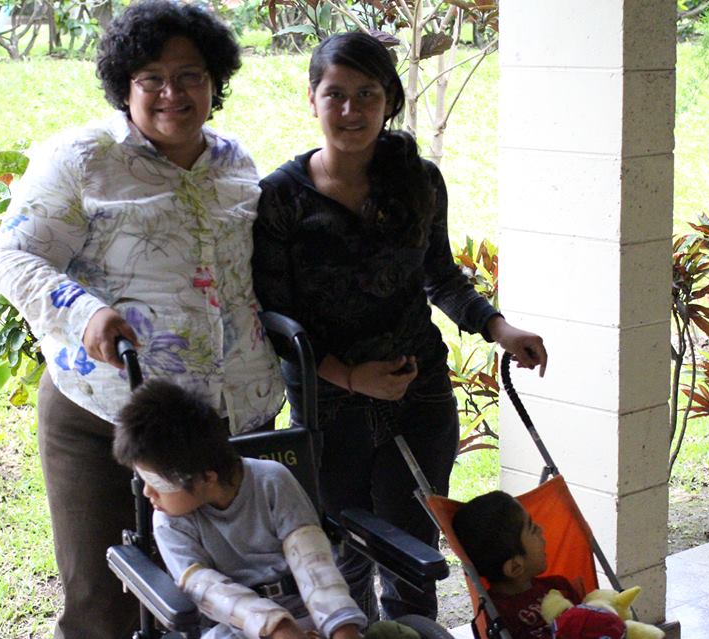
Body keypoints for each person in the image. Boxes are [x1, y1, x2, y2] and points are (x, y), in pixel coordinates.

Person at [0, 3, 283, 637]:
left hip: (228, 423)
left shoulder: (235, 162)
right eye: (152, 78)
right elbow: (13, 256)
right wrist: (84, 311)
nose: (172, 93)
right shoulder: (83, 158)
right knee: (104, 603)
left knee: (226, 596)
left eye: (191, 75)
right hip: (106, 415)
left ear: (215, 82)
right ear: (125, 86)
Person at [251, 32, 547, 621]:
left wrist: (499, 328)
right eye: (336, 94)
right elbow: (274, 320)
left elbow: (441, 277)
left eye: (368, 93)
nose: (351, 109)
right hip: (329, 408)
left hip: (420, 396)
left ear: (390, 99)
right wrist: (350, 377)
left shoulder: (419, 181)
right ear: (312, 99)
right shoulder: (280, 198)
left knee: (413, 558)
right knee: (342, 556)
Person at [113, 380, 368, 639]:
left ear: (207, 478)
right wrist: (276, 627)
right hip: (236, 627)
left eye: (157, 483)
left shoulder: (272, 481)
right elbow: (204, 588)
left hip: (309, 613)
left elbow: (313, 562)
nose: (147, 492)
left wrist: (342, 627)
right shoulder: (169, 521)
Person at [453, 491, 583, 639]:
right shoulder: (497, 616)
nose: (541, 529)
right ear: (515, 567)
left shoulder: (559, 586)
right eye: (533, 529)